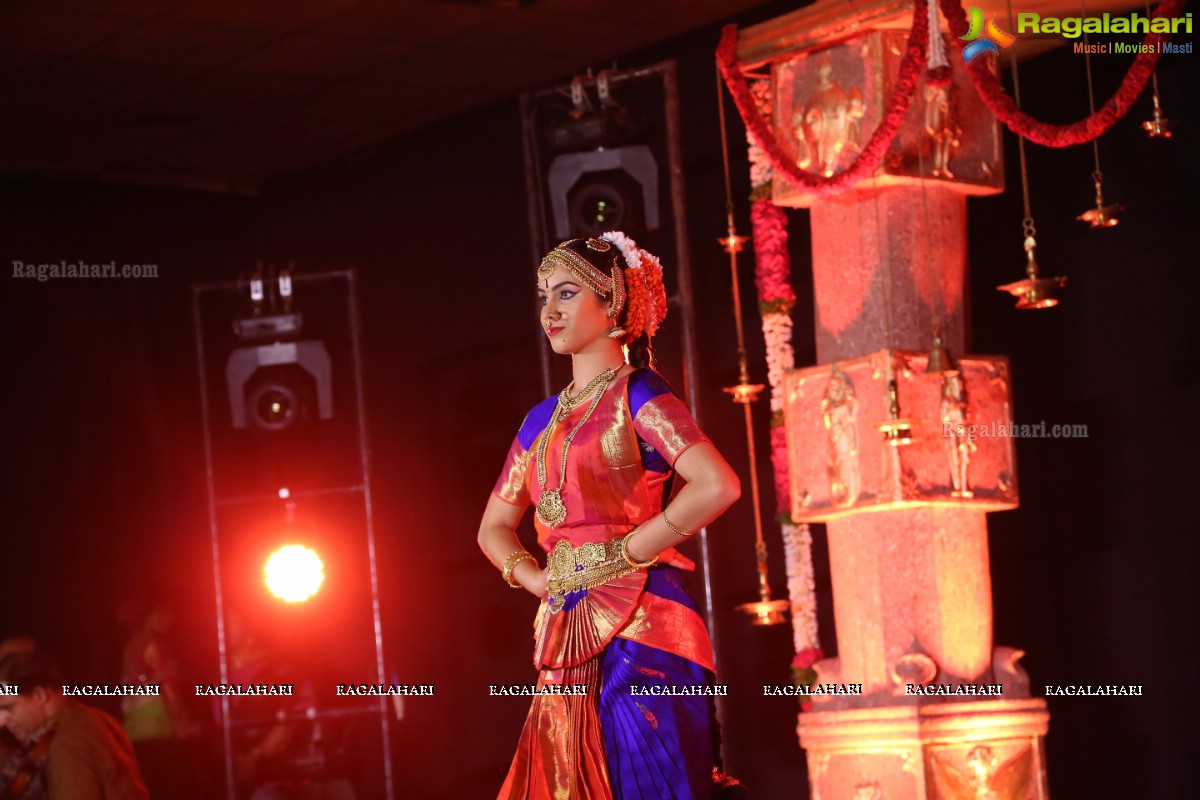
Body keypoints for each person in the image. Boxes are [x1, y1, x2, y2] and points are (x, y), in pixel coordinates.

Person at [477, 233, 742, 799]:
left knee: (650, 781)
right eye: (543, 295)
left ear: (613, 302)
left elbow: (717, 484)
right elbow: (492, 529)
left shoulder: (639, 393)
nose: (549, 310)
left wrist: (626, 551)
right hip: (565, 627)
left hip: (650, 624)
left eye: (567, 293)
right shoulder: (538, 421)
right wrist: (539, 579)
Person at [0, 650, 149, 800]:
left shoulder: (68, 746)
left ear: (40, 695)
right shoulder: (92, 718)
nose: (2, 721)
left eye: (8, 708)